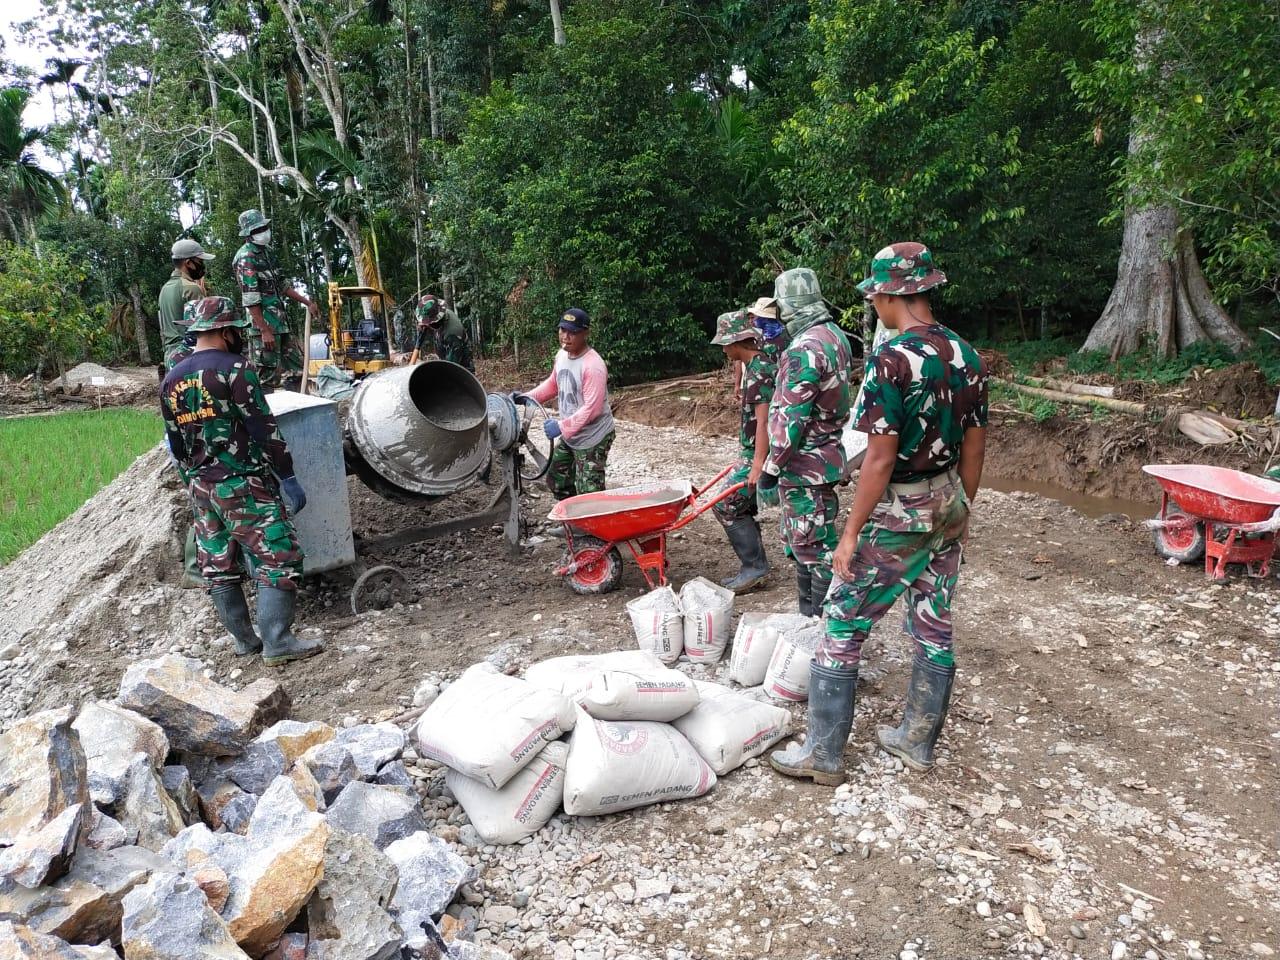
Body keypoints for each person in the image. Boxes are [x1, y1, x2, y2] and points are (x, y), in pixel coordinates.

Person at [770, 242, 988, 784]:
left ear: (891, 295)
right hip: (949, 500)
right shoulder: (966, 354)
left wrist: (847, 538)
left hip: (902, 508)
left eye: (877, 298)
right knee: (933, 618)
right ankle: (916, 740)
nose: (875, 308)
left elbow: (879, 459)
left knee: (842, 618)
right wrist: (961, 504)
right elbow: (976, 445)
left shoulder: (891, 361)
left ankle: (822, 755)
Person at [160, 296, 323, 667]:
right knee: (278, 555)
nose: (239, 335)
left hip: (202, 485)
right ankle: (278, 642)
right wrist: (288, 475)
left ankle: (244, 641)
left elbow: (175, 443)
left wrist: (196, 480)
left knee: (217, 562)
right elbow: (264, 429)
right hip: (243, 481)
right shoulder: (236, 369)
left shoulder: (170, 378)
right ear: (223, 330)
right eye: (235, 329)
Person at [755, 268, 853, 618]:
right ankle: (810, 617)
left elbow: (790, 416)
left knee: (812, 546)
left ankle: (819, 623)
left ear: (789, 306)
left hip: (803, 465)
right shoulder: (834, 336)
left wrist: (771, 466)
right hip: (827, 458)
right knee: (811, 538)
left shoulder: (805, 348)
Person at [520, 307, 615, 500]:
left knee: (590, 492)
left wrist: (561, 426)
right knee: (557, 479)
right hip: (572, 435)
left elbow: (593, 409)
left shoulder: (593, 366)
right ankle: (572, 525)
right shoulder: (562, 356)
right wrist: (526, 397)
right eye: (563, 330)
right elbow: (553, 384)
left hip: (593, 438)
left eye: (573, 332)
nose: (566, 336)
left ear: (585, 333)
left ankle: (589, 530)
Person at [709, 309, 774, 592]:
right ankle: (756, 565)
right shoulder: (755, 366)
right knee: (738, 505)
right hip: (750, 451)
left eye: (725, 343)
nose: (723, 349)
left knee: (726, 506)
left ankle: (755, 567)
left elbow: (765, 422)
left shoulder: (760, 371)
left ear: (737, 342)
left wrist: (757, 463)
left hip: (757, 453)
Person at [231, 209, 320, 389]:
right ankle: (268, 415)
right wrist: (264, 330)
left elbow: (282, 285)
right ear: (248, 234)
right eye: (258, 230)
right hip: (264, 326)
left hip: (280, 323)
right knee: (268, 377)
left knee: (298, 370)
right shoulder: (246, 257)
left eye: (264, 227)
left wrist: (307, 302)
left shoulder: (267, 252)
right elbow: (251, 297)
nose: (264, 232)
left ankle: (300, 408)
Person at [158, 238, 215, 372]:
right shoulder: (191, 288)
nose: (202, 265)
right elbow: (204, 328)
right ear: (189, 263)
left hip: (171, 354)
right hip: (191, 355)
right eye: (200, 261)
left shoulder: (165, 288)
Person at [409, 294, 474, 371]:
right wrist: (418, 343)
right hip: (446, 357)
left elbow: (450, 369)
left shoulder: (452, 334)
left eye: (426, 322)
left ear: (433, 322)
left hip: (462, 372)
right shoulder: (441, 316)